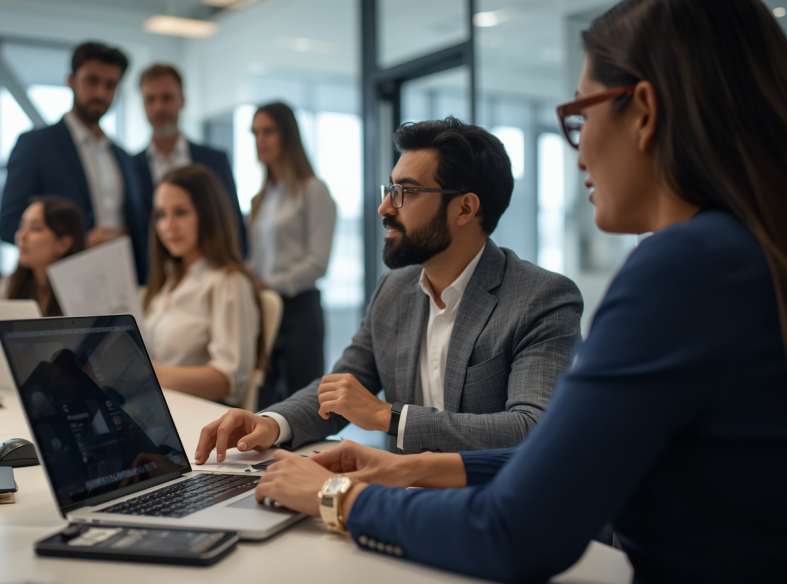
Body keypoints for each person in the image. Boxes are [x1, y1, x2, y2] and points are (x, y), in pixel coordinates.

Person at [246, 0, 787, 581]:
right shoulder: (742, 251)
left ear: (646, 112)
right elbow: (577, 462)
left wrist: (336, 497)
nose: (576, 150)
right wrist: (410, 469)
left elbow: (514, 530)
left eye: (581, 114)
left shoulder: (681, 268)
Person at [196, 117, 583, 461]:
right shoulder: (394, 291)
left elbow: (532, 429)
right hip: (398, 497)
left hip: (493, 509)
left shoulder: (541, 298)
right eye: (389, 189)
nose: (384, 207)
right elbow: (340, 388)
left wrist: (387, 416)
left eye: (406, 192)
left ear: (464, 209)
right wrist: (271, 422)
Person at [0, 42, 149, 283]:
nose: (100, 93)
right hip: (60, 284)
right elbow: (8, 225)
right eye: (92, 81)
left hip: (123, 282)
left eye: (110, 85)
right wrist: (80, 241)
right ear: (70, 80)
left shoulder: (124, 157)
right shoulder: (36, 146)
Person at [141, 164, 262, 406]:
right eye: (161, 215)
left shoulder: (228, 282)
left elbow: (228, 380)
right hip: (156, 407)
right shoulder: (166, 280)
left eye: (181, 212)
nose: (168, 226)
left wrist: (150, 374)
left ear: (208, 215)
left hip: (196, 418)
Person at [248, 103, 337, 408]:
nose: (260, 140)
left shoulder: (314, 190)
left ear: (288, 135)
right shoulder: (259, 199)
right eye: (255, 133)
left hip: (300, 311)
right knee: (263, 402)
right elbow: (255, 259)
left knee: (304, 405)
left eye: (268, 131)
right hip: (263, 310)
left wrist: (268, 282)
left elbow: (317, 263)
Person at [0, 196, 85, 373]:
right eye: (22, 226)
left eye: (35, 228)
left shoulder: (84, 292)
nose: (21, 236)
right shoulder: (8, 285)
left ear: (63, 243)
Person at [133, 64, 248, 256]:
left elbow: (233, 223)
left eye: (167, 98)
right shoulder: (129, 166)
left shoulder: (215, 161)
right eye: (150, 99)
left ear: (182, 101)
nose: (158, 107)